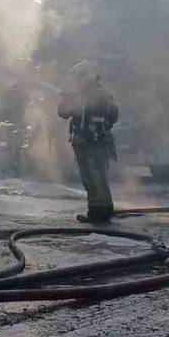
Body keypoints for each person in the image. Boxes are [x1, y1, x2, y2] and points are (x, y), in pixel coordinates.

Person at [57, 60, 119, 223]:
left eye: (78, 78)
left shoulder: (86, 96)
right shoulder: (105, 94)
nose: (76, 82)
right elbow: (114, 115)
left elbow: (64, 112)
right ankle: (105, 209)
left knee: (91, 178)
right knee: (99, 176)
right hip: (102, 141)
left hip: (87, 143)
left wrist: (68, 102)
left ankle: (97, 212)